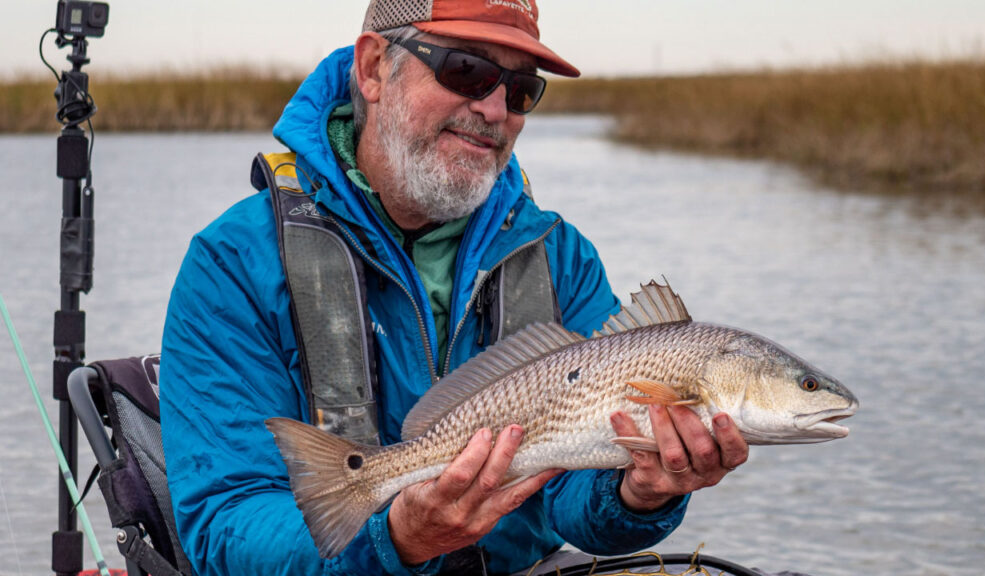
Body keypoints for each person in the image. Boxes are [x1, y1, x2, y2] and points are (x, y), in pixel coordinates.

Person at [159, 1, 749, 574]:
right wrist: (393, 540)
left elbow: (575, 501)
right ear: (371, 69)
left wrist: (641, 494)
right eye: (466, 71)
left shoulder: (560, 255)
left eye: (521, 89)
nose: (495, 109)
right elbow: (223, 525)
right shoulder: (233, 261)